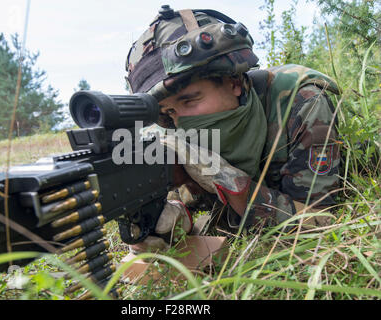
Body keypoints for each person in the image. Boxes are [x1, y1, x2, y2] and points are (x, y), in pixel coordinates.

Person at [125, 6, 342, 252]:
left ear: (234, 82)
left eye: (190, 100)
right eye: (170, 112)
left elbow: (319, 223)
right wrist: (171, 217)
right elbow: (185, 203)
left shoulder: (300, 102)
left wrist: (226, 180)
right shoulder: (176, 136)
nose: (181, 122)